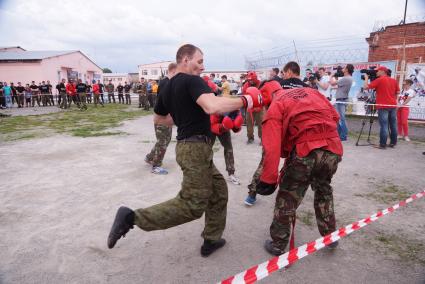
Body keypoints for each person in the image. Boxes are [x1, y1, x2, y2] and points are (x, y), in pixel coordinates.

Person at [107, 44, 263, 257]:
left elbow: (159, 118)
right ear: (185, 60)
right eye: (199, 61)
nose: (202, 66)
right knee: (191, 205)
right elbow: (212, 106)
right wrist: (247, 100)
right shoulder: (192, 81)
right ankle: (132, 218)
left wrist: (183, 118)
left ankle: (211, 239)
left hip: (192, 148)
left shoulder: (168, 86)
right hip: (195, 149)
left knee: (218, 192)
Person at [255, 83, 343, 256]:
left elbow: (271, 148)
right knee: (324, 190)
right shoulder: (312, 92)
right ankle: (330, 236)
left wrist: (268, 179)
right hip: (333, 147)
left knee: (288, 197)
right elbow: (335, 116)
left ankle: (278, 244)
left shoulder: (276, 104)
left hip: (306, 152)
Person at [245, 61, 309, 206]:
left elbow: (266, 102)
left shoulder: (279, 85)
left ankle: (252, 194)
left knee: (266, 161)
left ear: (289, 72)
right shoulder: (307, 88)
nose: (283, 75)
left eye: (284, 73)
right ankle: (288, 198)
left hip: (275, 128)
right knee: (294, 163)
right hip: (296, 133)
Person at [145, 63, 177, 175]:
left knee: (163, 140)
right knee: (163, 142)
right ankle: (156, 166)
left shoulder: (165, 82)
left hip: (164, 117)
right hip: (163, 118)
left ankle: (150, 157)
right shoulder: (166, 83)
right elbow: (164, 101)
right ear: (173, 71)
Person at [363, 66, 399, 149]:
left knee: (384, 125)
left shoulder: (379, 80)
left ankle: (382, 144)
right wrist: (394, 100)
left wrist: (366, 78)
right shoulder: (393, 80)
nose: (376, 72)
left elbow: (365, 87)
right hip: (392, 105)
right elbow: (397, 92)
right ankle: (393, 143)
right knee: (393, 125)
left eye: (378, 71)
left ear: (383, 71)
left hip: (383, 106)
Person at [210, 111, 243, 185]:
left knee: (229, 149)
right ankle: (204, 171)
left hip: (225, 126)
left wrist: (236, 127)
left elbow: (235, 125)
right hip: (211, 125)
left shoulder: (235, 110)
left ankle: (231, 173)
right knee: (207, 149)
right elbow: (212, 124)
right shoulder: (216, 109)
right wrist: (222, 126)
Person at [330, 64, 354, 141]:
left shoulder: (346, 78)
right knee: (340, 118)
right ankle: (340, 135)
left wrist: (331, 76)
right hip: (342, 99)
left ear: (347, 69)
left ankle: (343, 136)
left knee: (341, 119)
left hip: (341, 100)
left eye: (344, 68)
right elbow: (338, 86)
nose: (342, 69)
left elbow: (333, 83)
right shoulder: (347, 78)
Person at [243, 71, 262, 144]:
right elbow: (244, 96)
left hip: (260, 106)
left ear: (255, 78)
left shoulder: (261, 84)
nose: (250, 81)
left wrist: (260, 105)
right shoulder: (246, 85)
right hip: (250, 107)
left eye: (252, 80)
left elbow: (264, 95)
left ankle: (262, 138)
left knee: (261, 123)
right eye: (249, 80)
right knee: (249, 123)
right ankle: (250, 137)